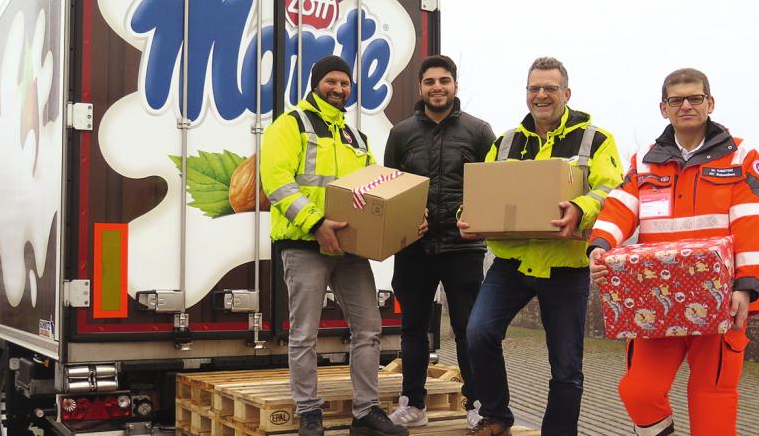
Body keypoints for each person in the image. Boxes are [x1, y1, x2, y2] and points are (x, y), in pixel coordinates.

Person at [588, 68, 759, 436]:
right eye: (676, 100)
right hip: (656, 300)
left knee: (712, 403)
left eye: (695, 98)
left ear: (710, 103)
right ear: (664, 108)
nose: (686, 105)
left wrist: (745, 286)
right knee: (638, 390)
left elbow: (752, 222)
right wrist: (600, 245)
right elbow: (622, 206)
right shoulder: (644, 161)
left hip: (721, 301)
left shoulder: (740, 156)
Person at [458, 57, 624, 436]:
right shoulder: (506, 142)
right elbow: (480, 192)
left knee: (566, 364)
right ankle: (497, 414)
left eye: (550, 88)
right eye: (535, 88)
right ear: (527, 93)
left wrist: (581, 209)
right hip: (513, 262)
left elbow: (611, 189)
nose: (542, 95)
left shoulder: (594, 139)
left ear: (567, 93)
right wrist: (467, 217)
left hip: (565, 264)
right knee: (478, 332)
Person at [260, 55, 409, 436]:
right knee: (304, 334)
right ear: (316, 84)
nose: (339, 88)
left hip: (350, 249)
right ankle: (310, 413)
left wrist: (396, 223)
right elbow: (276, 182)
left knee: (369, 328)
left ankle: (366, 413)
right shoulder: (290, 124)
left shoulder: (355, 136)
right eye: (332, 81)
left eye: (345, 83)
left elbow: (376, 188)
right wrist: (315, 223)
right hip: (305, 243)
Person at [382, 55, 496, 429]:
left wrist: (480, 223)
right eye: (430, 81)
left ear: (455, 86)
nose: (437, 87)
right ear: (420, 88)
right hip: (413, 248)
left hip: (463, 249)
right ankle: (413, 405)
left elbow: (493, 186)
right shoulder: (401, 134)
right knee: (413, 328)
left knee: (469, 330)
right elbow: (389, 187)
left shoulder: (479, 132)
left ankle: (477, 404)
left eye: (444, 80)